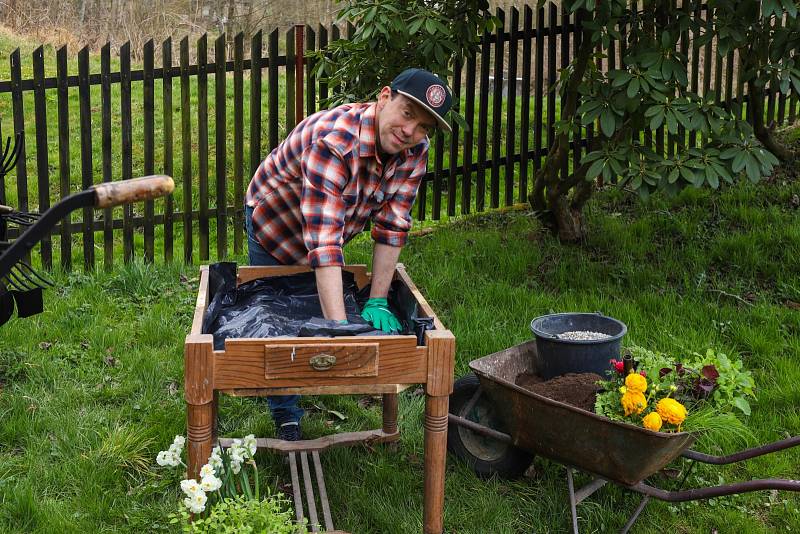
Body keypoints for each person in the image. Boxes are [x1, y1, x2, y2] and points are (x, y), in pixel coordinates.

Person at [244, 68, 453, 441]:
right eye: (407, 113)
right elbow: (323, 245)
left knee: (317, 304)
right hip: (275, 224)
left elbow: (392, 225)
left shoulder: (414, 151)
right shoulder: (334, 141)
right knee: (276, 318)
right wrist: (342, 336)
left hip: (330, 227)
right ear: (384, 96)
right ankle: (287, 416)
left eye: (423, 127)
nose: (411, 132)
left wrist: (377, 301)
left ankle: (307, 383)